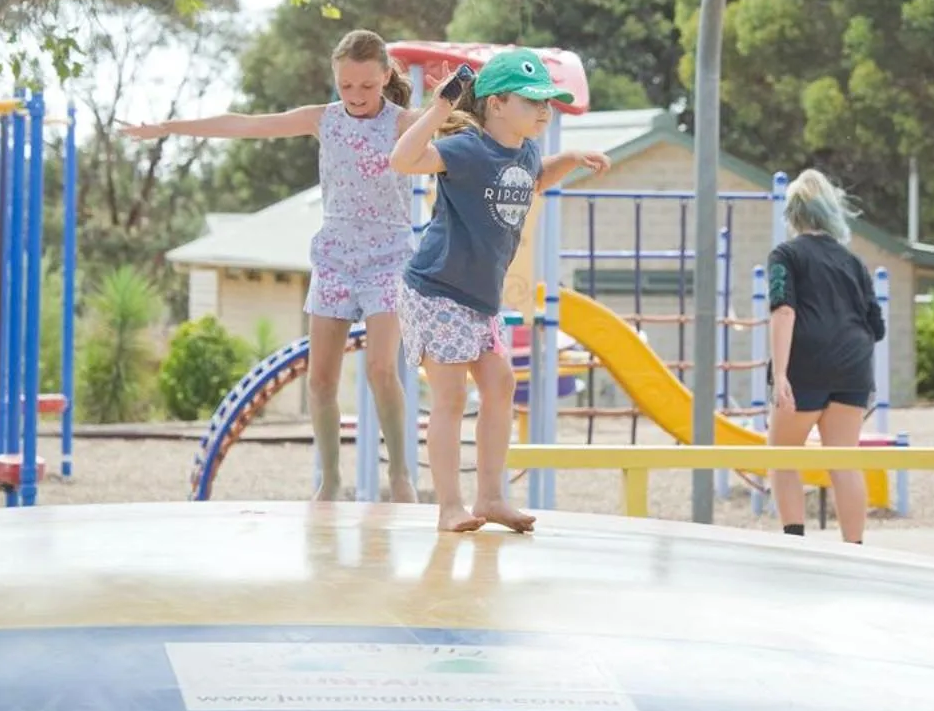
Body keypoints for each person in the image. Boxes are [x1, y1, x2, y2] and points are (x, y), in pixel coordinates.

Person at [121, 29, 419, 502]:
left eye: (366, 85)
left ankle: (402, 476)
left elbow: (462, 129)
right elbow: (245, 124)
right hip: (336, 258)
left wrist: (458, 100)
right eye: (346, 86)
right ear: (335, 80)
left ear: (385, 77)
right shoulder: (323, 120)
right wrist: (169, 128)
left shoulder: (405, 122)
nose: (356, 96)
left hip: (388, 257)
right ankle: (331, 481)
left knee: (382, 368)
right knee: (320, 378)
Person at [389, 49, 610, 532]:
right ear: (496, 104)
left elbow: (532, 180)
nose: (544, 110)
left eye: (547, 102)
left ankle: (490, 497)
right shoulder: (466, 149)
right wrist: (438, 111)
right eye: (532, 102)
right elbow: (403, 160)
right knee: (449, 399)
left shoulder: (526, 151)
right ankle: (450, 505)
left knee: (500, 384)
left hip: (479, 299)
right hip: (437, 289)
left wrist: (569, 160)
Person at [765, 169, 886, 545]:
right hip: (852, 367)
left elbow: (784, 310)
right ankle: (855, 547)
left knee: (783, 457)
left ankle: (795, 541)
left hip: (806, 363)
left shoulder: (785, 255)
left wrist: (781, 373)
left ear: (793, 215)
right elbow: (876, 326)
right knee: (843, 460)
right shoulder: (853, 263)